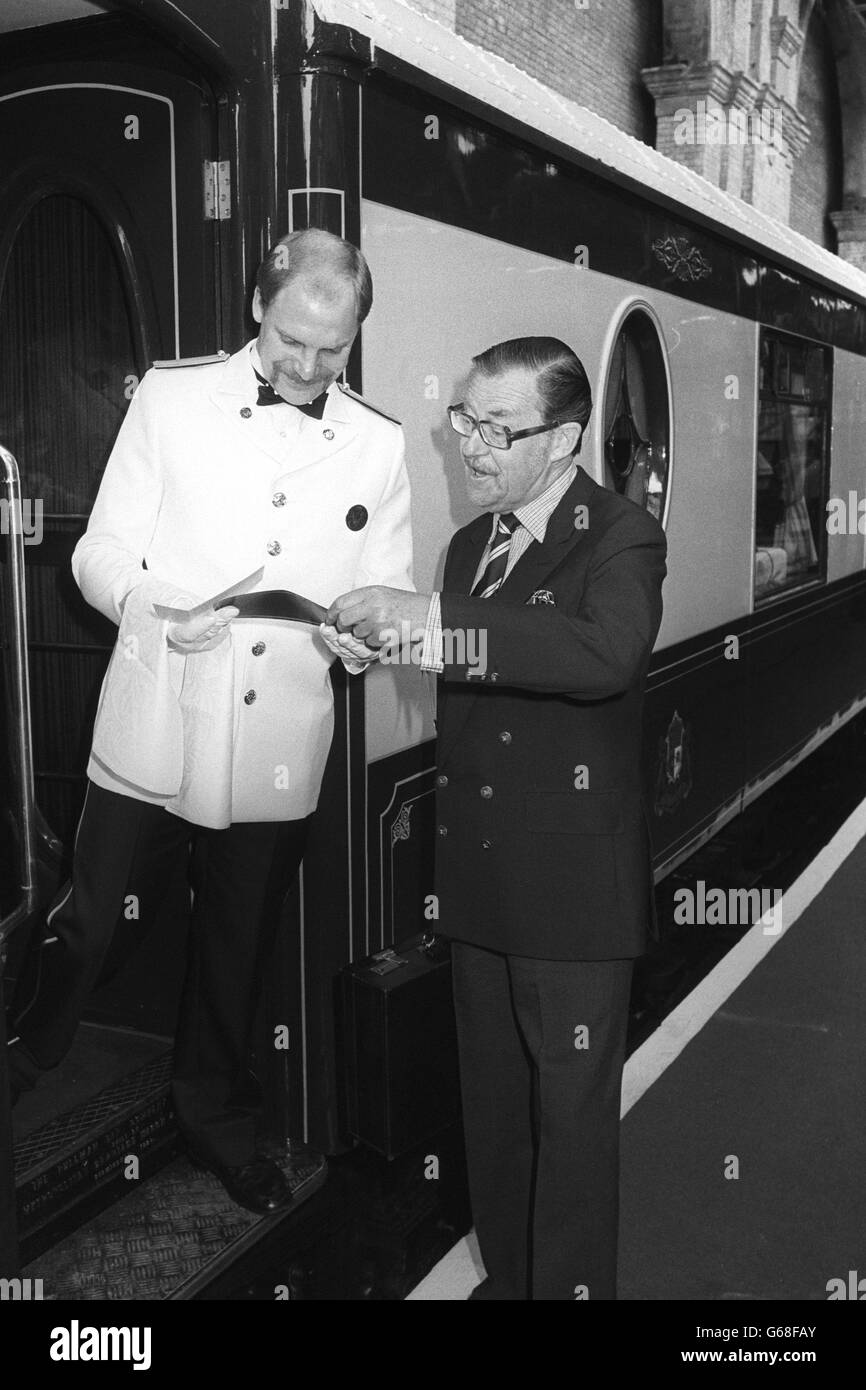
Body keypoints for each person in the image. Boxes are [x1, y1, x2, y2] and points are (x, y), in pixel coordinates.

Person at [6, 228, 411, 1214]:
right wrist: (152, 610)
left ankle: (216, 1123)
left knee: (237, 949)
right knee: (87, 927)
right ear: (255, 307)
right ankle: (20, 1070)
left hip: (277, 748)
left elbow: (384, 589)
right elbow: (97, 553)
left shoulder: (380, 441)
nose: (308, 367)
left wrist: (364, 641)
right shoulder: (172, 395)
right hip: (155, 720)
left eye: (331, 350)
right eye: (289, 341)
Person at [328, 336, 666, 1299]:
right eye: (464, 420)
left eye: (495, 428)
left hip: (570, 902)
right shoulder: (470, 547)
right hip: (479, 887)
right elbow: (479, 678)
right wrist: (386, 645)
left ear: (563, 440)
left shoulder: (621, 536)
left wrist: (431, 622)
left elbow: (605, 654)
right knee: (497, 1119)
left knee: (570, 1127)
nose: (470, 445)